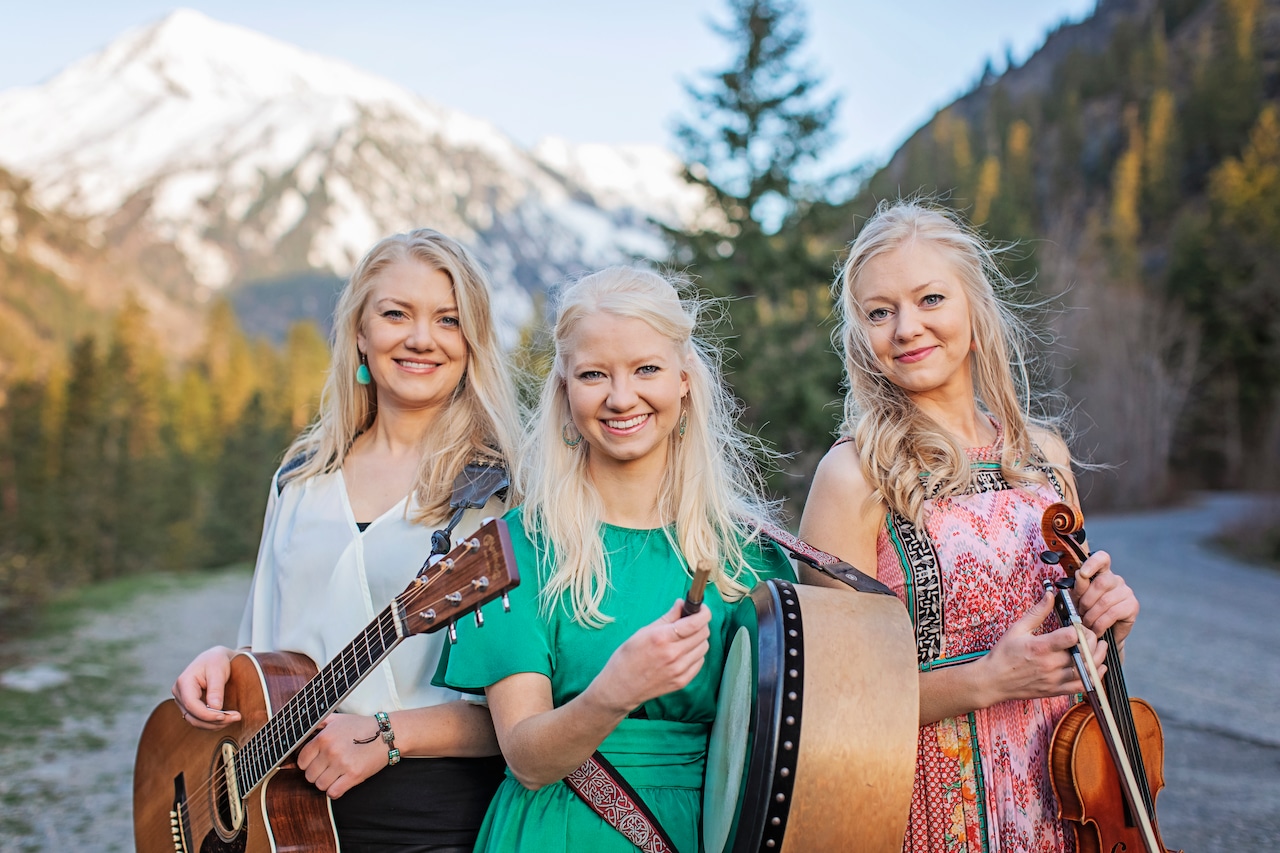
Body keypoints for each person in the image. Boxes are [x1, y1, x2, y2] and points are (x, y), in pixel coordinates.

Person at [799, 200, 1140, 852]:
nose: (906, 327)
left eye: (930, 298)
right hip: (931, 805)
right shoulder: (852, 475)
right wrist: (987, 681)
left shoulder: (1043, 456)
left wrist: (1108, 622)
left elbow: (1075, 637)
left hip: (1067, 793)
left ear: (975, 315)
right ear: (860, 338)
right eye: (879, 311)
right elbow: (830, 703)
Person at [171, 229, 523, 853]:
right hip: (273, 812)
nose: (421, 338)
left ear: (472, 343)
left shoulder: (500, 495)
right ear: (360, 333)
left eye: (448, 319)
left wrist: (392, 734)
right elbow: (264, 649)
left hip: (428, 818)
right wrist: (225, 664)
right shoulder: (301, 477)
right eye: (396, 314)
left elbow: (532, 722)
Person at [439, 266, 795, 852]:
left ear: (684, 380)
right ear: (564, 389)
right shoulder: (515, 550)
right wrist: (615, 691)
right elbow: (526, 757)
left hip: (709, 832)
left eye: (646, 369)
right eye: (594, 375)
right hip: (557, 832)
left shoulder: (751, 557)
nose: (621, 397)